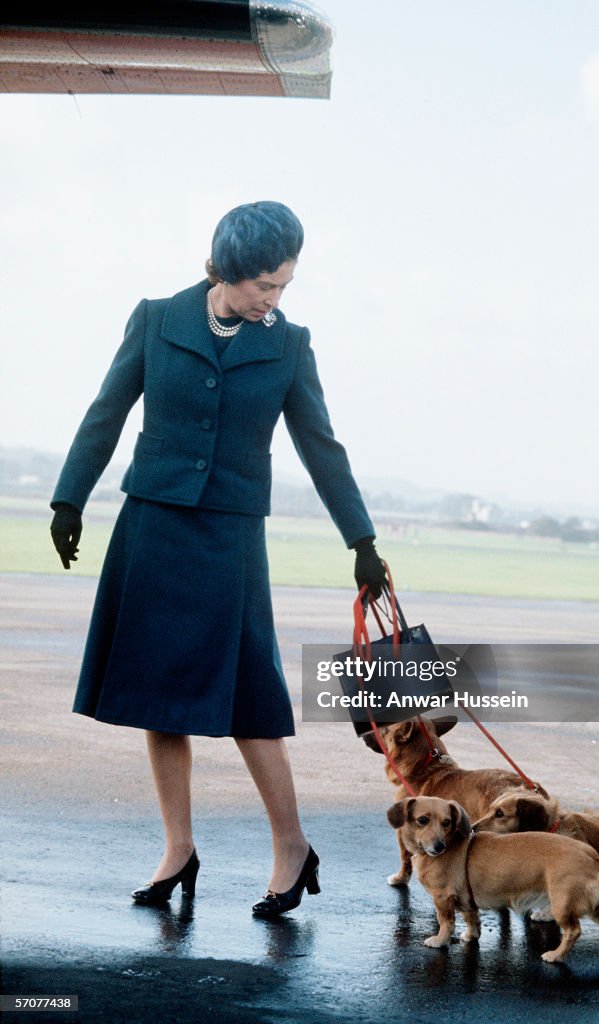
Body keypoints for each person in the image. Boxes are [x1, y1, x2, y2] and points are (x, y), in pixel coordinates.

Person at [50, 201, 386, 917]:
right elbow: (106, 410)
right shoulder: (156, 318)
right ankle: (178, 848)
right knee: (155, 695)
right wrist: (68, 498)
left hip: (230, 538)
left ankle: (292, 846)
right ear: (227, 269)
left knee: (250, 701)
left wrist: (361, 540)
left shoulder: (290, 346)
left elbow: (321, 445)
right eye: (265, 285)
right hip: (153, 524)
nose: (274, 299)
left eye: (284, 287)